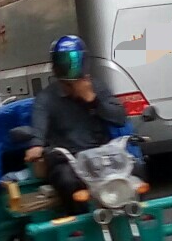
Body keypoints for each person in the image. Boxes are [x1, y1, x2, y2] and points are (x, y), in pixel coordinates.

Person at [24, 36, 134, 214]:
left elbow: (119, 118)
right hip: (70, 161)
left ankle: (134, 214)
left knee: (137, 169)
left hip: (103, 157)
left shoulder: (97, 88)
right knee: (66, 180)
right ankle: (79, 222)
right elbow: (39, 128)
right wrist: (36, 146)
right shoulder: (46, 98)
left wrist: (93, 100)